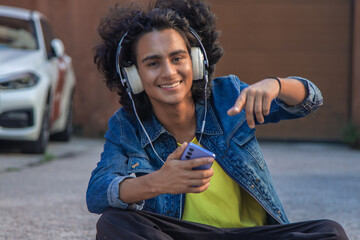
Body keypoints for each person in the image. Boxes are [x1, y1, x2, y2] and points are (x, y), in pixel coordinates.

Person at [86, 0, 349, 239]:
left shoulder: (228, 96)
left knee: (329, 231)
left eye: (177, 58)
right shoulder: (127, 126)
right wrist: (157, 182)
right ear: (133, 77)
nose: (169, 72)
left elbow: (310, 100)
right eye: (153, 63)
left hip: (255, 235)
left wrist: (277, 85)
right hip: (184, 235)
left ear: (197, 62)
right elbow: (97, 193)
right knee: (114, 222)